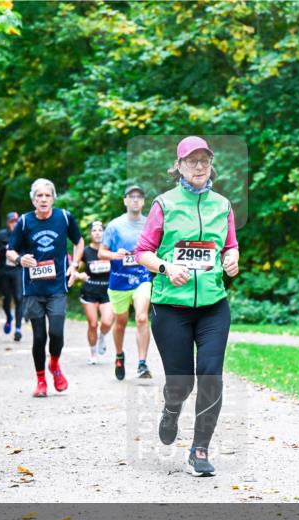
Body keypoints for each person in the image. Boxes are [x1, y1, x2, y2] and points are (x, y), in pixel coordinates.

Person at [135, 137, 240, 477]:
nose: (199, 166)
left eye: (204, 160)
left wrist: (232, 259)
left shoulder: (222, 205)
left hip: (213, 305)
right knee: (181, 383)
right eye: (191, 160)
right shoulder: (164, 204)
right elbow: (143, 252)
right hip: (170, 307)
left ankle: (200, 450)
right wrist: (166, 268)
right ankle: (171, 407)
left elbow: (230, 245)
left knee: (211, 375)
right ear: (178, 166)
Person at [6, 179, 84, 397]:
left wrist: (74, 265)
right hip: (33, 289)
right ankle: (41, 380)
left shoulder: (64, 217)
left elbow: (79, 242)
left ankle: (55, 364)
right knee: (39, 337)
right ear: (33, 200)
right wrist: (20, 259)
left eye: (47, 195)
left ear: (53, 198)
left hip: (57, 286)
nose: (43, 199)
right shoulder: (24, 222)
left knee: (56, 333)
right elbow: (10, 251)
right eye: (39, 196)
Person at [100, 185, 153, 381]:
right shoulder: (115, 226)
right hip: (119, 281)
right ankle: (119, 355)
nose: (135, 199)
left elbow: (157, 247)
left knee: (142, 318)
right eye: (131, 196)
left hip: (142, 278)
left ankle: (142, 363)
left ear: (143, 201)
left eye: (139, 196)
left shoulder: (149, 224)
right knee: (120, 323)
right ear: (125, 201)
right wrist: (115, 255)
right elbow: (101, 252)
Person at [74, 221, 113, 365]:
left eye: (100, 230)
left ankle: (101, 337)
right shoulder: (86, 252)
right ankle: (93, 353)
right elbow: (73, 270)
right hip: (90, 291)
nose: (97, 233)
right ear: (90, 234)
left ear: (104, 233)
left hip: (107, 291)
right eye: (94, 230)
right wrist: (79, 275)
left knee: (107, 322)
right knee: (92, 324)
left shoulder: (110, 250)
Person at [0, 212, 24, 341]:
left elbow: (29, 249)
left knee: (19, 298)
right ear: (8, 223)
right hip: (4, 271)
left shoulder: (23, 234)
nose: (14, 224)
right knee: (6, 299)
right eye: (12, 221)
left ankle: (18, 329)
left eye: (16, 221)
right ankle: (9, 317)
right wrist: (2, 249)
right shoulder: (2, 235)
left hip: (17, 270)